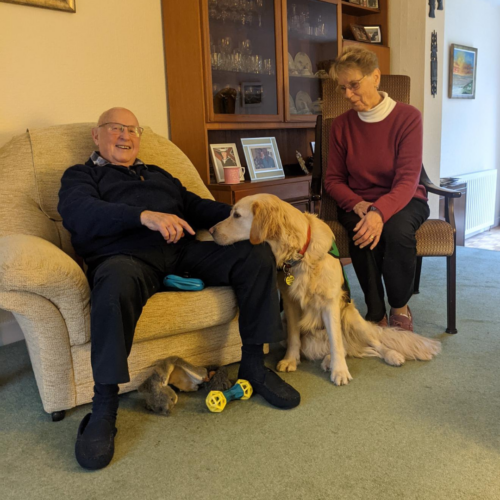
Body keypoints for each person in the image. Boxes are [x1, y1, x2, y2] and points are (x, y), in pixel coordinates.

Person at [58, 107, 300, 471]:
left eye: (133, 130)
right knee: (112, 282)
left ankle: (254, 367)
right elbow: (80, 212)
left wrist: (250, 215)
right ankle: (103, 408)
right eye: (116, 128)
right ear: (97, 135)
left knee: (255, 256)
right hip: (126, 256)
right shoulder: (82, 176)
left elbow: (195, 207)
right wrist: (144, 217)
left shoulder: (157, 174)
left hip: (182, 251)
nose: (126, 136)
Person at [324, 46, 429, 332]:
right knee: (361, 232)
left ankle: (399, 306)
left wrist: (379, 212)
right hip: (357, 200)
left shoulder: (408, 117)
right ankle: (375, 311)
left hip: (404, 198)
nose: (347, 95)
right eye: (342, 88)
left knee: (396, 232)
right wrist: (360, 205)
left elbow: (408, 180)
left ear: (376, 77)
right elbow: (333, 179)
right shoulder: (341, 126)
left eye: (354, 85)